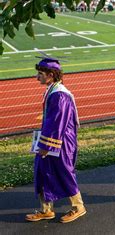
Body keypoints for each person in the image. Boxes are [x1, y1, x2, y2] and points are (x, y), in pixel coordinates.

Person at [25, 56, 86, 223]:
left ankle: (78, 206)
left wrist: (45, 145)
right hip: (52, 139)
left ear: (51, 74)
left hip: (61, 143)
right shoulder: (52, 90)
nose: (37, 77)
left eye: (40, 73)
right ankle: (46, 209)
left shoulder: (60, 95)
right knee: (42, 170)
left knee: (63, 172)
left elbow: (57, 123)